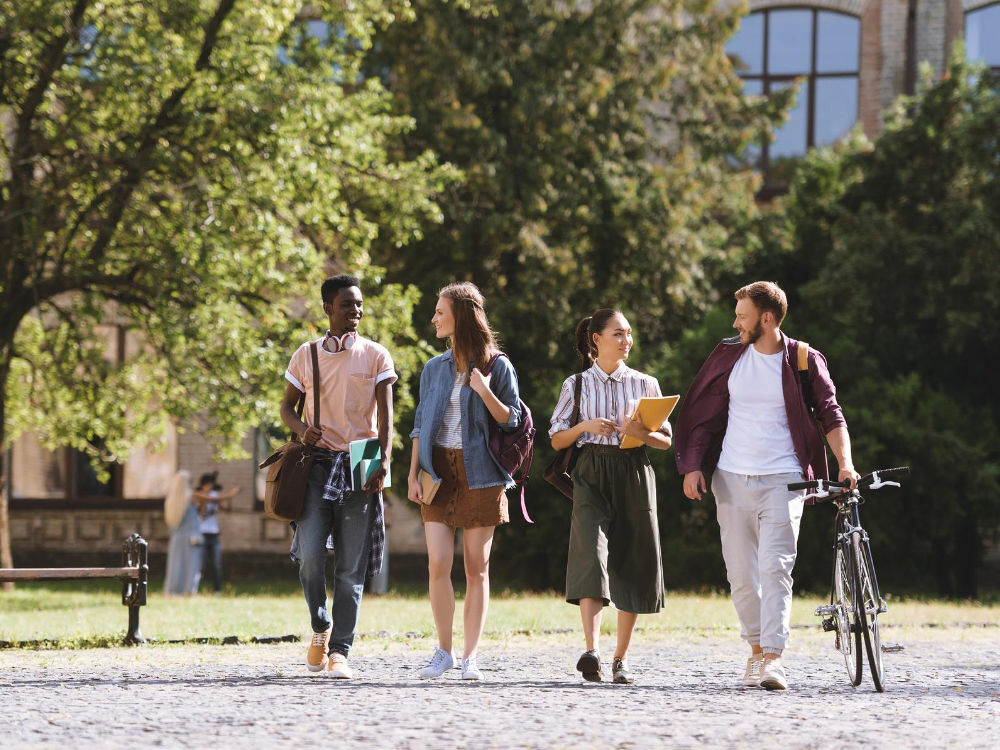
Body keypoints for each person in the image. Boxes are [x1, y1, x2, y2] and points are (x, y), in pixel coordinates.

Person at [674, 281, 860, 691]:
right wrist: (693, 465)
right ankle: (755, 652)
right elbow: (703, 413)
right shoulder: (728, 355)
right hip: (731, 477)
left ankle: (774, 658)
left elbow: (831, 414)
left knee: (775, 568)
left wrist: (845, 463)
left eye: (743, 316)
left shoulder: (802, 359)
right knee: (741, 575)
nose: (735, 322)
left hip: (784, 479)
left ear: (768, 319)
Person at [280, 273, 396, 679]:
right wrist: (300, 429)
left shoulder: (377, 355)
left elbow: (387, 415)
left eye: (360, 304)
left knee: (351, 565)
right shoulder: (306, 354)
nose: (356, 311)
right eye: (347, 304)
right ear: (328, 308)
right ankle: (320, 626)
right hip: (315, 460)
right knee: (310, 554)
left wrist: (384, 458)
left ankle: (340, 651)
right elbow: (287, 409)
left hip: (363, 456)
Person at [406, 282, 523, 681]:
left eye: (440, 312)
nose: (434, 318)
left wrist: (485, 390)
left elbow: (513, 420)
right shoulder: (433, 368)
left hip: (482, 473)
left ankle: (471, 656)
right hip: (437, 471)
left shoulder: (498, 365)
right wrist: (412, 473)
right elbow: (420, 424)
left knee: (477, 567)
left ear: (461, 316)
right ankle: (444, 651)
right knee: (438, 562)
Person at [549, 308, 671, 685]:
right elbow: (555, 437)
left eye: (629, 334)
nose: (626, 340)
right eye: (618, 334)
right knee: (590, 552)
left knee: (632, 559)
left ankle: (620, 659)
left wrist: (639, 430)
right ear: (596, 339)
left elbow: (666, 441)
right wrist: (584, 426)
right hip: (591, 471)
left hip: (634, 470)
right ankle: (592, 651)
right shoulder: (577, 384)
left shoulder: (646, 383)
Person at [192, 472, 239, 595]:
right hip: (202, 534)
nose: (210, 487)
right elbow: (202, 512)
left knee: (217, 564)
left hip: (214, 534)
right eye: (208, 485)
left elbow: (224, 508)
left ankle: (216, 590)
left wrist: (223, 501)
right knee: (199, 564)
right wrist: (230, 494)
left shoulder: (215, 495)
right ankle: (194, 588)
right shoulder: (198, 495)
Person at [163, 470, 202, 596]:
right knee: (191, 564)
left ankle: (173, 589)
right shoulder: (191, 496)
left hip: (176, 537)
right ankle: (188, 590)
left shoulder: (170, 500)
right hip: (191, 537)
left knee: (175, 565)